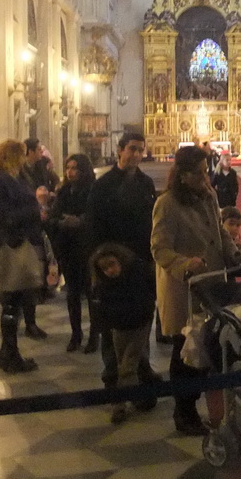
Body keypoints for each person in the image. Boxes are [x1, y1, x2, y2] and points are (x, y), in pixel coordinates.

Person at [152, 144, 241, 435]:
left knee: (205, 347)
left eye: (206, 171)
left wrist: (235, 253)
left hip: (213, 282)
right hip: (185, 289)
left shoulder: (208, 196)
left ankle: (195, 401)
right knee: (186, 352)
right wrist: (184, 263)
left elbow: (219, 231)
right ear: (183, 175)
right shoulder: (166, 204)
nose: (207, 177)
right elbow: (159, 248)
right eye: (201, 173)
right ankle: (185, 411)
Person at [86, 132, 161, 392]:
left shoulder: (146, 183)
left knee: (141, 316)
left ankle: (141, 366)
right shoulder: (103, 184)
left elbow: (151, 224)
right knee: (113, 320)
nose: (137, 155)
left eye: (141, 150)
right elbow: (94, 225)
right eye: (132, 149)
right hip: (112, 263)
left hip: (139, 262)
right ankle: (112, 371)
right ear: (120, 150)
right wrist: (103, 261)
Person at [0, 140, 50, 373]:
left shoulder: (16, 178)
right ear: (10, 156)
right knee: (11, 303)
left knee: (18, 302)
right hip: (10, 248)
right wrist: (35, 208)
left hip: (22, 244)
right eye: (20, 155)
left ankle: (9, 352)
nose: (24, 159)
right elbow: (3, 218)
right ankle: (8, 354)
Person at [89, 243, 157, 424]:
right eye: (105, 268)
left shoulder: (136, 274)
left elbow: (147, 295)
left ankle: (120, 404)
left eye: (112, 265)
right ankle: (134, 396)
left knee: (128, 366)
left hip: (139, 325)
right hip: (118, 327)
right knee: (120, 363)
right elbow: (100, 308)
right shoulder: (103, 287)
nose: (110, 270)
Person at [47, 154, 98, 354]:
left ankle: (95, 335)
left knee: (91, 292)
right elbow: (52, 217)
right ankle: (76, 334)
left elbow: (96, 216)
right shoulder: (63, 191)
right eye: (68, 167)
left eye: (75, 168)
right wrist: (61, 222)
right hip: (68, 248)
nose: (70, 172)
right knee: (72, 293)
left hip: (87, 247)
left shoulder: (93, 190)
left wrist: (80, 222)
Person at [220, 206, 241, 273]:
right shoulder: (215, 241)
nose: (235, 228)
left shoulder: (237, 244)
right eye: (231, 224)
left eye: (238, 225)